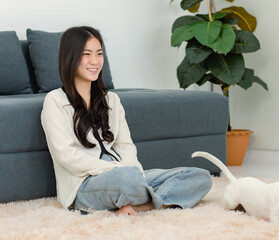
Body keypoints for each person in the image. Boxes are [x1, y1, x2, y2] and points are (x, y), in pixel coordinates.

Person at [41, 26, 212, 216]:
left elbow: (126, 146)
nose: (95, 61)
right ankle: (155, 197)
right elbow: (66, 155)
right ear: (70, 57)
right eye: (86, 54)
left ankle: (138, 205)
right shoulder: (55, 101)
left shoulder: (111, 100)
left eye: (99, 54)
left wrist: (132, 169)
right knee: (126, 178)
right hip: (85, 183)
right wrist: (117, 169)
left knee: (200, 177)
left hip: (125, 175)